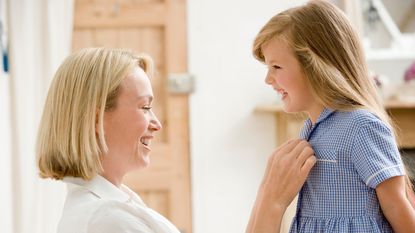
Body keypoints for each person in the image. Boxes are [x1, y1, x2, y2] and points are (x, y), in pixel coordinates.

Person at [36, 47, 316, 233]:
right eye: (144, 107)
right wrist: (272, 202)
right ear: (96, 120)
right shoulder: (106, 220)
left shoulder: (111, 206)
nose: (156, 123)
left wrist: (267, 199)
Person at [252, 1, 415, 232]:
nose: (268, 79)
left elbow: (396, 204)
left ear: (315, 65)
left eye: (276, 67)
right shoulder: (310, 129)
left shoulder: (362, 126)